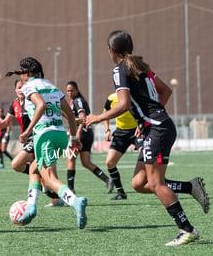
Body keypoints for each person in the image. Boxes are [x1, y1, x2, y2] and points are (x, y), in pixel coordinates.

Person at [86, 30, 203, 245]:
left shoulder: (120, 69)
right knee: (140, 183)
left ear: (111, 50)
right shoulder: (141, 66)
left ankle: (187, 229)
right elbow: (166, 91)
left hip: (157, 129)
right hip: (158, 127)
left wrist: (98, 117)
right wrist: (147, 120)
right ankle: (190, 187)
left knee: (156, 183)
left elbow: (124, 104)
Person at [6, 57, 87, 229]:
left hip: (45, 135)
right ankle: (31, 207)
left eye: (21, 74)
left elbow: (41, 105)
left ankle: (75, 201)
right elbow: (70, 116)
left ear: (26, 73)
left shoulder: (29, 86)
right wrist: (73, 138)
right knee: (34, 169)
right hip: (60, 135)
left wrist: (27, 131)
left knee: (50, 179)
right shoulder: (51, 85)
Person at [104, 92, 210, 209]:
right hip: (122, 132)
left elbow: (166, 91)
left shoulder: (139, 91)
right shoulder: (112, 98)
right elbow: (106, 111)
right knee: (136, 182)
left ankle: (186, 225)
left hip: (144, 132)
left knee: (151, 177)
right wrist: (107, 129)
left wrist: (142, 123)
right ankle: (121, 192)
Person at [0, 79, 62, 205]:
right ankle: (55, 197)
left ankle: (50, 194)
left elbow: (49, 109)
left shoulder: (33, 100)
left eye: (23, 87)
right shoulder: (14, 104)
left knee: (17, 164)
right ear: (15, 90)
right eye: (18, 87)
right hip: (28, 139)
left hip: (38, 136)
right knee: (39, 170)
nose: (21, 89)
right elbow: (6, 122)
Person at [65, 81, 113, 195]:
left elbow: (83, 118)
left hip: (82, 133)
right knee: (86, 162)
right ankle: (108, 180)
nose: (69, 92)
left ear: (77, 90)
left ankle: (70, 189)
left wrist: (77, 134)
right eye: (67, 90)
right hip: (88, 133)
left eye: (72, 90)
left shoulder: (78, 101)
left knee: (70, 158)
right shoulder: (75, 101)